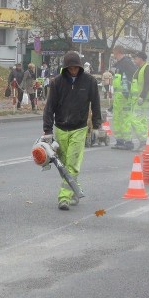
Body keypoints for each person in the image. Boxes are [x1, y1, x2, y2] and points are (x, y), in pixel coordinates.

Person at [42, 51, 102, 211]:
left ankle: (64, 198)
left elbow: (96, 104)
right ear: (66, 68)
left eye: (76, 68)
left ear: (80, 67)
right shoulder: (57, 83)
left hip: (79, 128)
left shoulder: (90, 82)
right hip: (61, 128)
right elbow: (49, 107)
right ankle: (76, 190)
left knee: (73, 165)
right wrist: (47, 130)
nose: (74, 70)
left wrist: (96, 126)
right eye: (71, 68)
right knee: (63, 166)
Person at [126, 51, 149, 151]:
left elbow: (148, 83)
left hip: (143, 100)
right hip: (137, 100)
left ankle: (144, 141)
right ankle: (145, 143)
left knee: (134, 120)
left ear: (141, 58)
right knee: (142, 121)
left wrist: (142, 97)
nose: (134, 60)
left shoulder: (147, 68)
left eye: (135, 58)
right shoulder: (139, 69)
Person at [109, 47, 137, 149]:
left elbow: (132, 77)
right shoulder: (119, 64)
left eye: (114, 53)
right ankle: (119, 141)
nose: (113, 55)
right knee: (117, 119)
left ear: (118, 52)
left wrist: (128, 92)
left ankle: (128, 142)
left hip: (125, 96)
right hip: (118, 97)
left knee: (125, 119)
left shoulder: (127, 63)